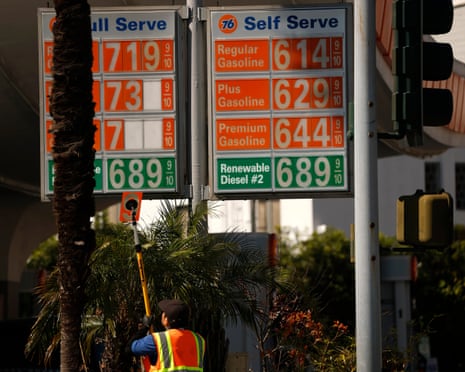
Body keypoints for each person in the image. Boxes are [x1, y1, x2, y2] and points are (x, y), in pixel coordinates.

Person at [129, 299, 206, 371]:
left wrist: (145, 327)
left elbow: (131, 347)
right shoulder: (199, 340)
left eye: (163, 312)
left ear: (166, 319)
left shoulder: (157, 340)